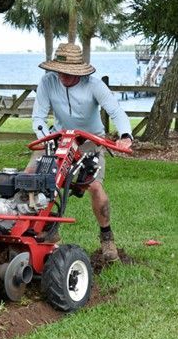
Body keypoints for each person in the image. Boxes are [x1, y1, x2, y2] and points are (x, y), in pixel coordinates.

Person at [29, 42, 133, 261]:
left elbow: (116, 111)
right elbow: (38, 117)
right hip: (57, 137)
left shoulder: (94, 85)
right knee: (32, 175)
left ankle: (107, 237)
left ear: (79, 71)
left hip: (89, 140)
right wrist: (45, 138)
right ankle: (42, 230)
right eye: (60, 71)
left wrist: (125, 136)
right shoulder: (48, 82)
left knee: (94, 185)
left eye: (69, 73)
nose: (63, 76)